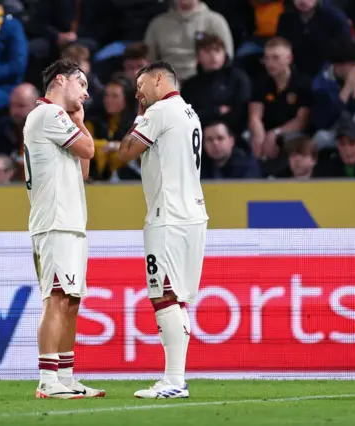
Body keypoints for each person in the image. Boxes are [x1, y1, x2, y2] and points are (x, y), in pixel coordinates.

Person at [117, 61, 209, 399]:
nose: (138, 92)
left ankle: (174, 381)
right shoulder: (189, 112)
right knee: (177, 299)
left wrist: (140, 114)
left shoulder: (162, 111)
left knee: (164, 296)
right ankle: (175, 378)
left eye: (141, 84)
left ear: (159, 79)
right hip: (194, 214)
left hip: (168, 216)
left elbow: (126, 151)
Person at [23, 58, 103, 400]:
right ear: (60, 81)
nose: (85, 93)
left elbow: (84, 169)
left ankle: (66, 377)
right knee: (56, 298)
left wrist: (80, 122)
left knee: (70, 301)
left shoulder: (59, 121)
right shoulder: (48, 115)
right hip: (54, 222)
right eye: (81, 84)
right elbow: (89, 148)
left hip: (69, 222)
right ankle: (47, 379)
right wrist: (81, 125)